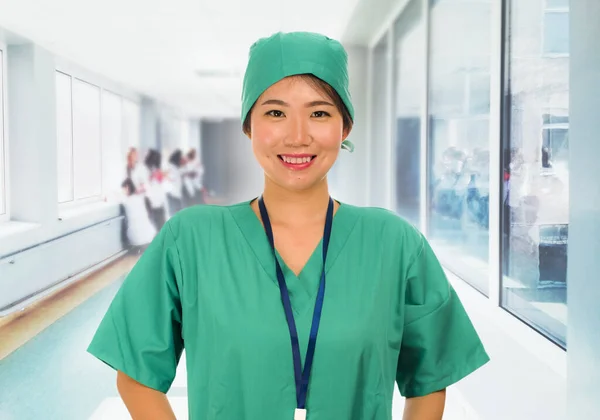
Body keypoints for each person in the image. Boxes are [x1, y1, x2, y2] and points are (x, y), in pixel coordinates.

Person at [87, 31, 489, 420]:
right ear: (249, 125)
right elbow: (135, 375)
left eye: (319, 113)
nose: (298, 136)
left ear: (344, 127)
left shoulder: (395, 244)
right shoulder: (190, 240)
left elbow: (431, 379)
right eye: (276, 113)